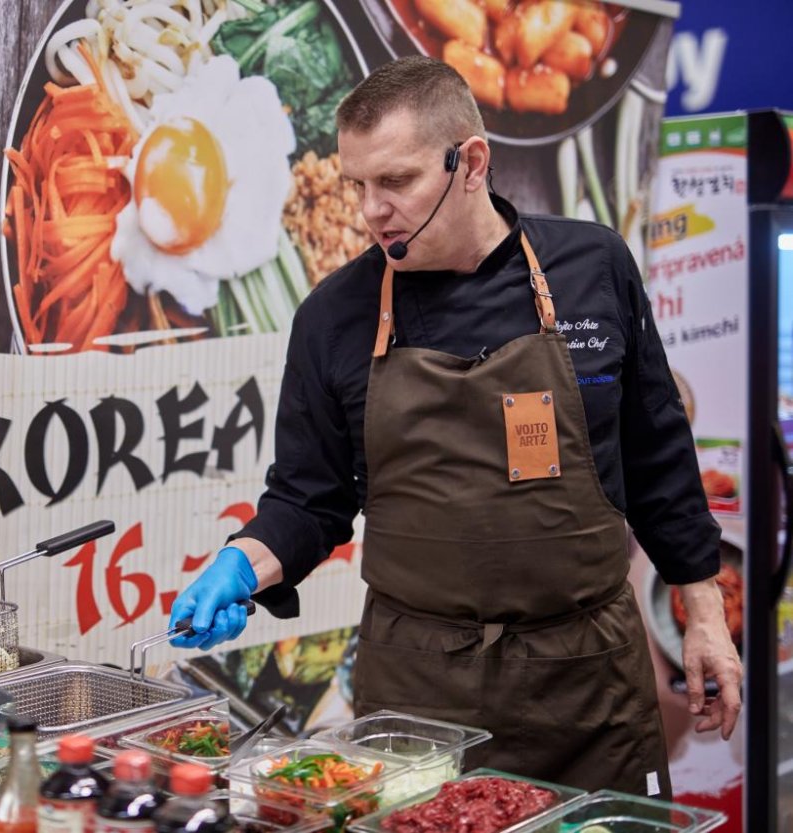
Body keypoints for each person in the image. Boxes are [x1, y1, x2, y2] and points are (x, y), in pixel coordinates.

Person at [168, 56, 742, 798]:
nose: (371, 210)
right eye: (359, 185)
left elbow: (657, 454)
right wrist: (243, 562)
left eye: (397, 181)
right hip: (418, 694)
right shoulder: (334, 318)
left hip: (588, 689)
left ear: (471, 162)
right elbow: (309, 499)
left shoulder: (591, 267)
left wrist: (704, 616)